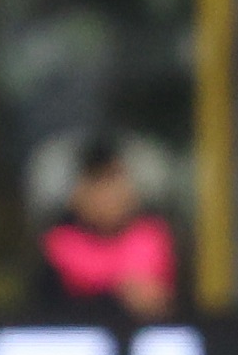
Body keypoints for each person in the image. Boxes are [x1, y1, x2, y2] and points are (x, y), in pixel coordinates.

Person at [36, 134, 178, 322]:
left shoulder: (154, 236)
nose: (108, 198)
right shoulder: (56, 243)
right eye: (98, 185)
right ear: (77, 194)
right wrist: (117, 295)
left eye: (114, 183)